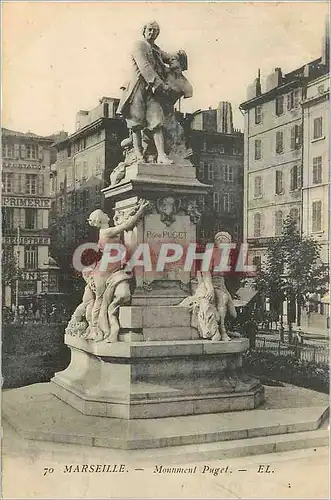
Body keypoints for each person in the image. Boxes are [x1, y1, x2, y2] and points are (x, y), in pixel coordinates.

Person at [81, 199, 150, 342]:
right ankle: (96, 329)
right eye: (104, 214)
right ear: (101, 220)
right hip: (105, 272)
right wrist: (140, 211)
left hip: (110, 270)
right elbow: (127, 224)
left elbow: (123, 224)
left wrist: (134, 211)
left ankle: (99, 329)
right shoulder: (106, 231)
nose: (107, 214)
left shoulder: (108, 230)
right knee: (100, 301)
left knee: (102, 301)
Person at [117, 21, 176, 164]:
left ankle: (161, 155)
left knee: (157, 120)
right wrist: (161, 85)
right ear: (144, 31)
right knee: (136, 122)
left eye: (155, 31)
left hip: (152, 90)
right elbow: (145, 67)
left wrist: (174, 61)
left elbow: (168, 56)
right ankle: (138, 155)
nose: (152, 33)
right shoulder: (139, 45)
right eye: (150, 29)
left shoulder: (156, 49)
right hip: (137, 87)